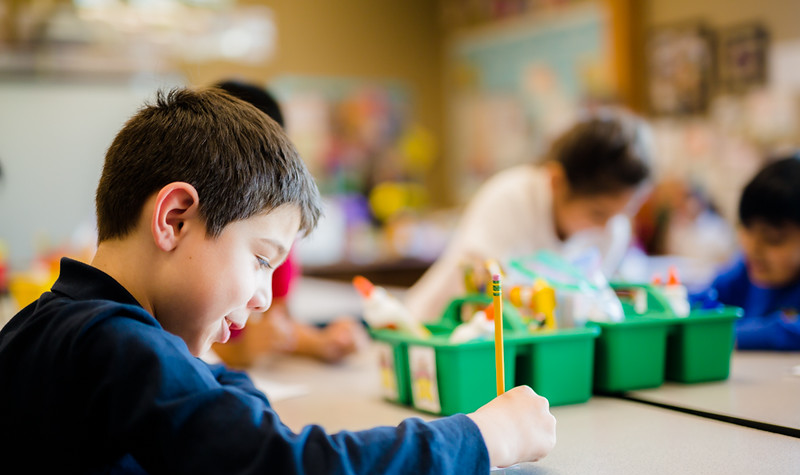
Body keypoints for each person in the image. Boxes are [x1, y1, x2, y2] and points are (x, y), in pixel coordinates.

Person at [0, 87, 556, 475]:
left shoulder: (55, 323)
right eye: (262, 259)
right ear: (174, 219)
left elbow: (225, 401)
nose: (265, 296)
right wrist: (483, 438)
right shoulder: (116, 345)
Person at [405, 108, 654, 321]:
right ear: (557, 181)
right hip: (435, 329)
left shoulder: (614, 229)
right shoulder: (510, 198)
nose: (608, 229)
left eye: (624, 214)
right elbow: (478, 291)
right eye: (598, 213)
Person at [211, 79, 367, 366]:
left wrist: (321, 342)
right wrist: (242, 350)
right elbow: (193, 332)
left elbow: (276, 323)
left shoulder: (274, 236)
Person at [697, 155, 800, 351]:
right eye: (746, 229)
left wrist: (722, 335)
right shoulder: (745, 271)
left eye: (773, 238)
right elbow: (704, 298)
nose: (753, 249)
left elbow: (788, 331)